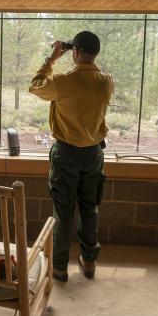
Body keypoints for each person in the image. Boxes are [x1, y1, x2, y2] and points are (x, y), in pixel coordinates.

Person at [28, 31, 114, 282]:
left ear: (74, 52)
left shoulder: (63, 83)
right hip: (94, 154)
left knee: (63, 211)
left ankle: (59, 267)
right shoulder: (107, 82)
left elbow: (35, 86)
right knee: (90, 208)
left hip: (66, 154)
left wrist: (51, 59)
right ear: (96, 53)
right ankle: (89, 262)